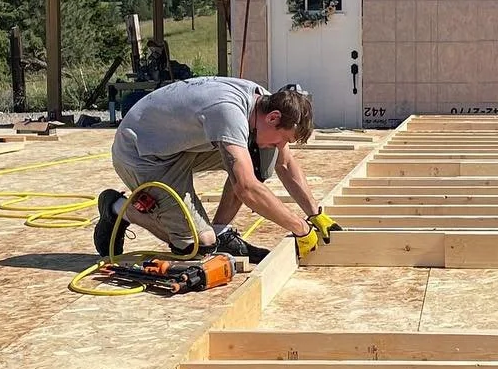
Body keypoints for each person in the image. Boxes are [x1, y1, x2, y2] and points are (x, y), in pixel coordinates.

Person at [92, 77, 339, 262]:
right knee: (197, 246)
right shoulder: (229, 112)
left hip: (179, 144)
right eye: (281, 139)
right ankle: (116, 209)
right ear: (273, 118)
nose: (281, 146)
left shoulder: (266, 102)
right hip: (143, 153)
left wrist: (315, 214)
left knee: (262, 157)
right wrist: (300, 228)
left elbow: (284, 163)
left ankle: (220, 231)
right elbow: (245, 187)